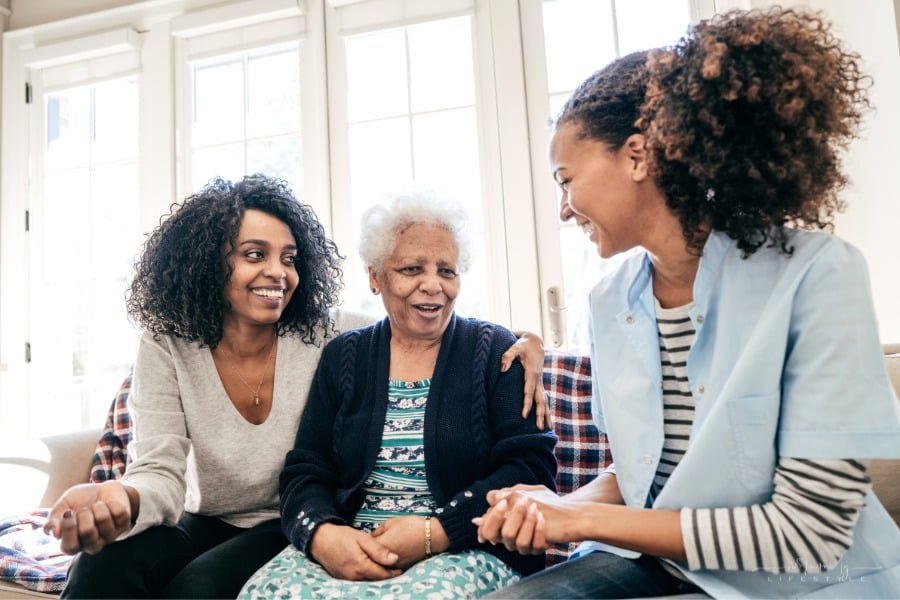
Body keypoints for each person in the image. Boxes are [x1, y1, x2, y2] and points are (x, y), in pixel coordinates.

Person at [475, 7, 900, 599]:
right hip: (663, 563)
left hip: (802, 580)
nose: (564, 208)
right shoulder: (607, 300)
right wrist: (555, 505)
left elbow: (811, 533)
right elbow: (640, 472)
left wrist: (581, 519)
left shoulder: (817, 274)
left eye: (566, 179)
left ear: (637, 155)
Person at [42, 174, 548, 599]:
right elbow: (160, 472)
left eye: (288, 258)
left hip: (281, 522)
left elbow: (422, 324)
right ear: (206, 262)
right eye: (254, 254)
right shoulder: (171, 345)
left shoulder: (327, 335)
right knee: (100, 568)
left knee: (197, 590)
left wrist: (529, 341)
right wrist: (121, 497)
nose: (276, 273)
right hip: (210, 515)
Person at [238, 189, 558, 599]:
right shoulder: (344, 356)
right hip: (356, 543)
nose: (433, 286)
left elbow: (530, 469)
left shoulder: (496, 351)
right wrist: (323, 535)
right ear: (375, 277)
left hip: (465, 546)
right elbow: (307, 470)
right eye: (411, 269)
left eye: (447, 270)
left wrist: (435, 532)